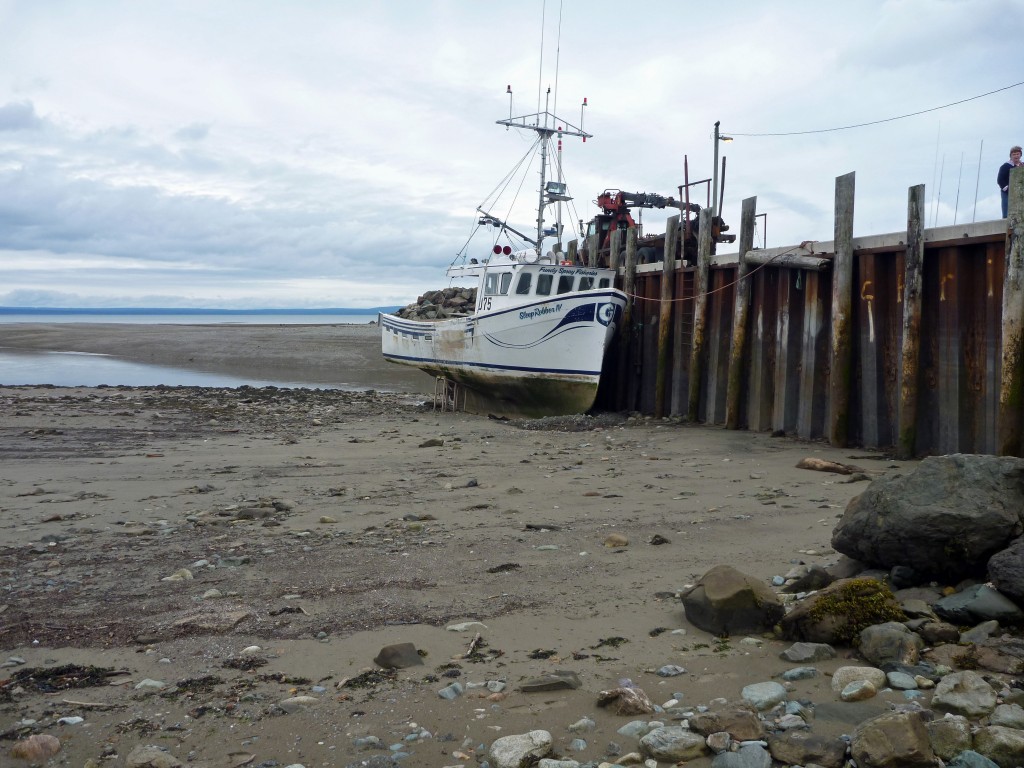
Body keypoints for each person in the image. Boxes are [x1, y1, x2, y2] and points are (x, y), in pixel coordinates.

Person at [998, 145, 1023, 218]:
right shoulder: (1005, 166)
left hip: (1021, 192)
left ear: (1020, 155)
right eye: (1014, 154)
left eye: (1017, 154)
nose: (1016, 156)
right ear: (1011, 156)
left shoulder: (1022, 166)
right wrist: (1008, 189)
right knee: (1007, 213)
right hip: (1007, 193)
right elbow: (1000, 180)